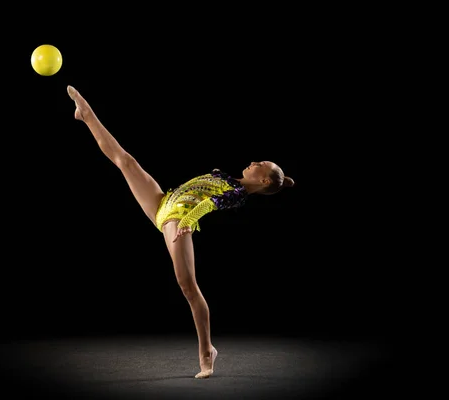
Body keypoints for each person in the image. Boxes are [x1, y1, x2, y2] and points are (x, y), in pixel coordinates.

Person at [66, 85, 294, 379]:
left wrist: (189, 220)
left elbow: (211, 204)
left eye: (259, 164)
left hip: (179, 220)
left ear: (263, 181)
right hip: (163, 202)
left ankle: (206, 352)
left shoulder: (236, 192)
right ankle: (86, 114)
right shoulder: (227, 177)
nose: (254, 162)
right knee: (126, 161)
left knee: (188, 287)